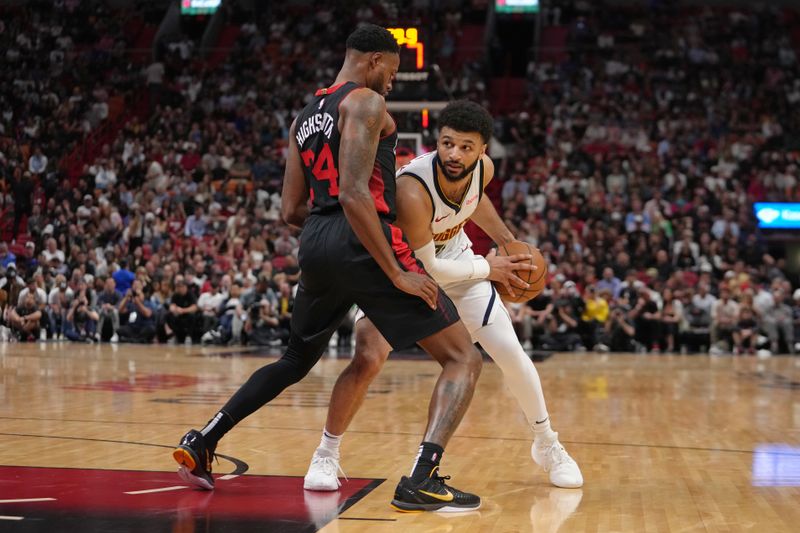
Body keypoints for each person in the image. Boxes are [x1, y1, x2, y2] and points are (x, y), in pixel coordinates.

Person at [173, 25, 488, 513]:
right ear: (374, 61)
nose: (392, 84)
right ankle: (422, 480)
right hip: (362, 234)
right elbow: (354, 192)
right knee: (463, 358)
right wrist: (395, 271)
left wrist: (329, 239)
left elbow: (290, 209)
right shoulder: (364, 102)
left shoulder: (305, 116)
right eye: (393, 72)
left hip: (317, 240)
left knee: (294, 360)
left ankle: (203, 439)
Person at [302, 100, 582, 496]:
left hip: (458, 262)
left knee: (510, 353)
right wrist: (491, 268)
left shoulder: (483, 170)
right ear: (438, 140)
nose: (454, 154)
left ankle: (548, 444)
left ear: (482, 151)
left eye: (466, 147)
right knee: (367, 357)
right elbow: (426, 269)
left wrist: (505, 240)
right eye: (448, 143)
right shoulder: (413, 190)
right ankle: (326, 453)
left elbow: (475, 198)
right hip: (400, 272)